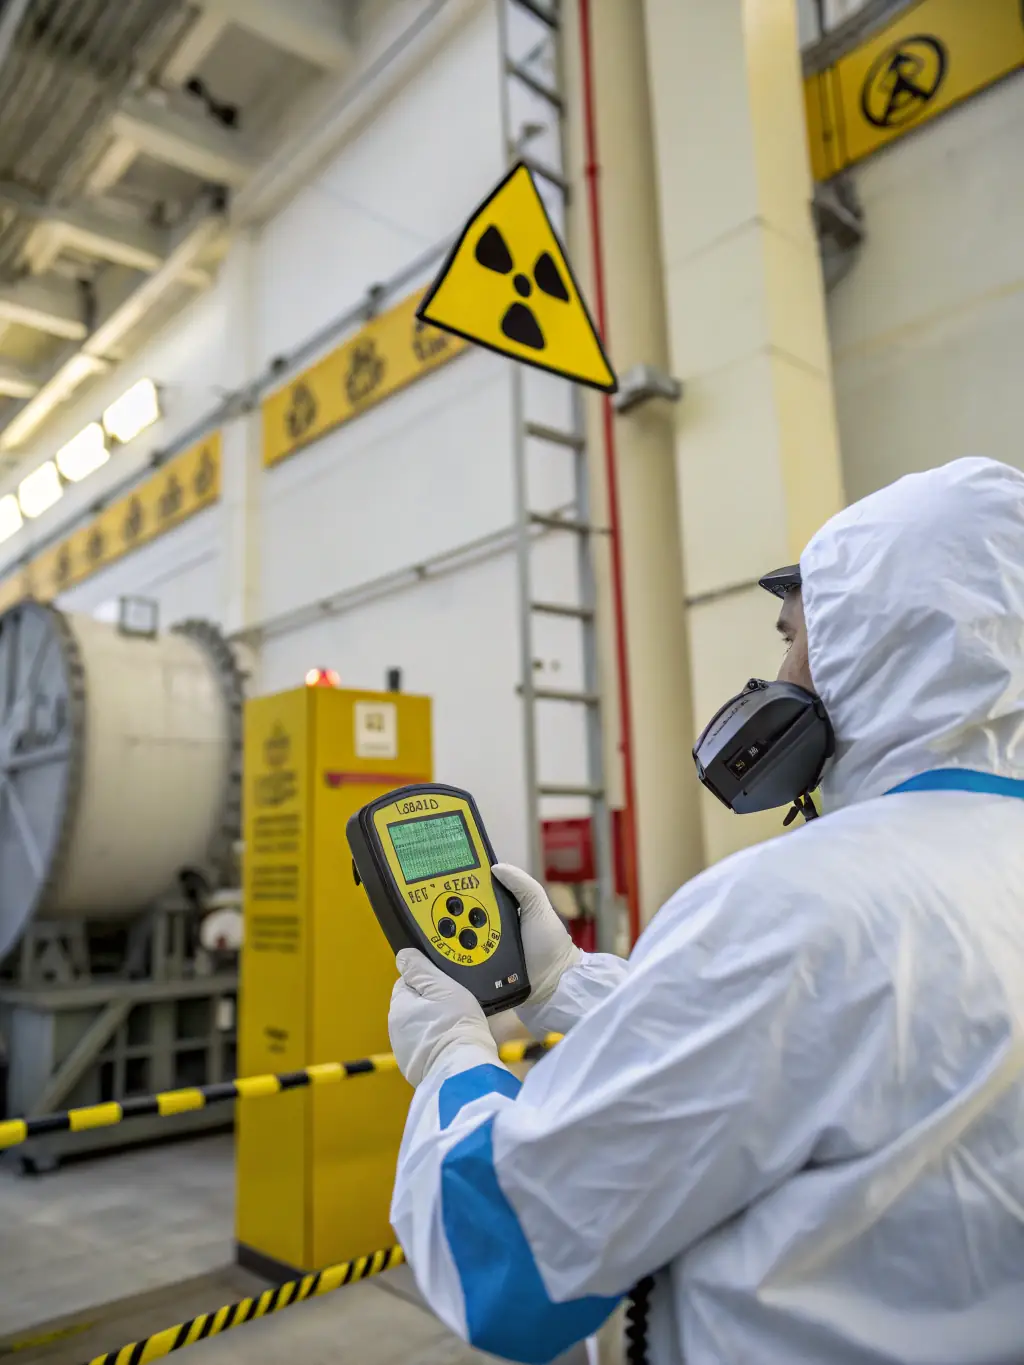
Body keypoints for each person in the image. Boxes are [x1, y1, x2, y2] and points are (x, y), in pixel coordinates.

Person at [388, 456, 1024, 1365]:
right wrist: (568, 986)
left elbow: (508, 1263)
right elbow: (825, 1053)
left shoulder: (800, 902)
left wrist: (453, 1059)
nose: (777, 675)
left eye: (793, 637)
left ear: (874, 645)